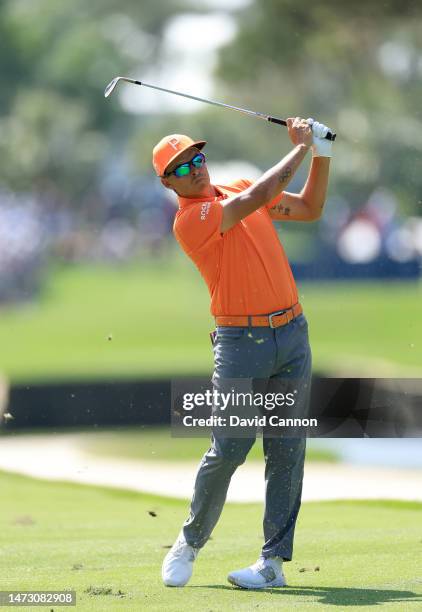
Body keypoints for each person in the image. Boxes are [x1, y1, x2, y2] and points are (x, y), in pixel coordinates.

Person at [152, 117, 332, 589]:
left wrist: (325, 154)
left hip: (292, 333)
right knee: (230, 446)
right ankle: (189, 541)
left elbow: (311, 208)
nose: (194, 168)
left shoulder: (238, 186)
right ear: (167, 182)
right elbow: (255, 199)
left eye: (197, 157)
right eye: (181, 166)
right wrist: (301, 147)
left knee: (287, 449)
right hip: (239, 343)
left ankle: (272, 563)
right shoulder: (191, 220)